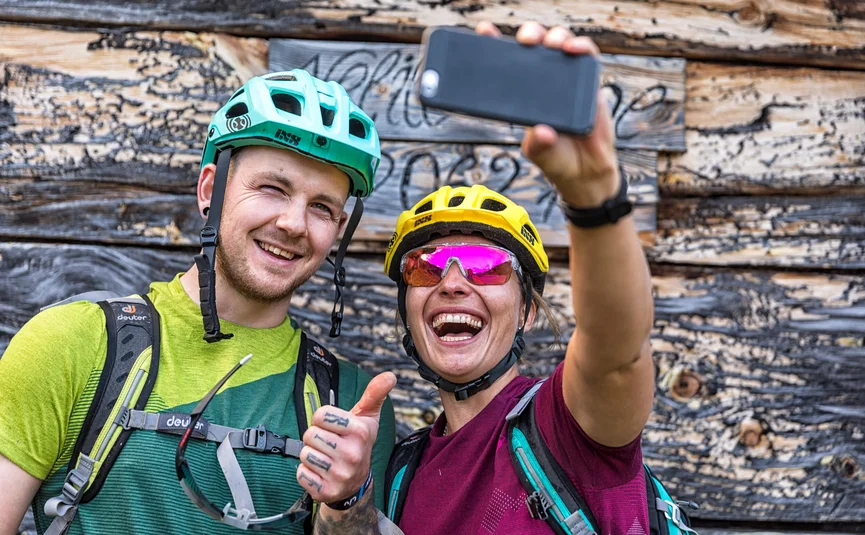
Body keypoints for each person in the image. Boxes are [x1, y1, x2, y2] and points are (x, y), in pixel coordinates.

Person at [0, 69, 396, 535]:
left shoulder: (349, 403)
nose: (293, 223)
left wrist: (350, 498)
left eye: (322, 208)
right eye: (273, 188)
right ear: (211, 189)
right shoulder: (73, 341)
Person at [379, 21, 657, 534]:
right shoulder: (398, 475)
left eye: (485, 265)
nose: (452, 283)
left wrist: (595, 195)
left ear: (527, 309)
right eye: (426, 266)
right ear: (406, 309)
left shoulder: (567, 428)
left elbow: (618, 353)